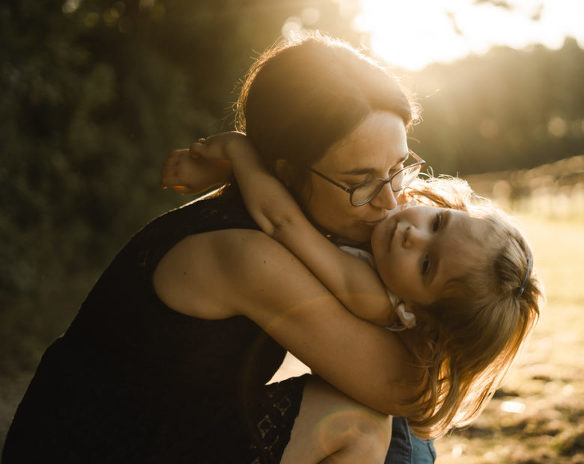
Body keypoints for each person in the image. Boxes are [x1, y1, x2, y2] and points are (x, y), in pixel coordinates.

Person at [2, 34, 438, 464]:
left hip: (160, 432)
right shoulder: (246, 253)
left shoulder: (291, 213)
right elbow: (402, 388)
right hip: (94, 450)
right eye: (359, 181)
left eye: (398, 169)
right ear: (285, 175)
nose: (391, 201)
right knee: (359, 422)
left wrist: (240, 157)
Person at [163, 131, 543, 438]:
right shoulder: (393, 218)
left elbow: (285, 223)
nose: (413, 232)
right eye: (438, 222)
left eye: (427, 265)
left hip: (186, 390)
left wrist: (238, 153)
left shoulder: (372, 296)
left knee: (372, 434)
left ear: (413, 312)